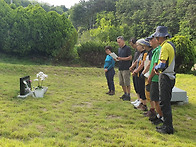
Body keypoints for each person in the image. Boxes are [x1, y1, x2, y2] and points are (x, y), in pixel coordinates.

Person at [153, 26, 176, 134]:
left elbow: (162, 64)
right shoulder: (171, 45)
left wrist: (156, 68)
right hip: (171, 76)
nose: (156, 39)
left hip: (165, 77)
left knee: (164, 102)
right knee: (166, 102)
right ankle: (167, 125)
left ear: (161, 36)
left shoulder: (165, 47)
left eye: (157, 37)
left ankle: (168, 128)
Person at [146, 34, 163, 125]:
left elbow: (155, 66)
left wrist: (150, 77)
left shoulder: (158, 50)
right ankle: (159, 116)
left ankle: (161, 117)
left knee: (156, 99)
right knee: (155, 99)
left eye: (151, 40)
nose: (150, 42)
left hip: (155, 78)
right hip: (154, 78)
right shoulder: (155, 50)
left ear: (156, 40)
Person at [129, 39, 148, 110]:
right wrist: (132, 67)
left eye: (138, 45)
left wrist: (136, 71)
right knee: (139, 88)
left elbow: (142, 64)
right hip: (137, 74)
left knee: (142, 89)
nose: (136, 47)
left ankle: (144, 104)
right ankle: (141, 102)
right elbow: (137, 61)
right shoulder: (140, 53)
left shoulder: (145, 53)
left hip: (141, 73)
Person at [116, 36, 132, 101]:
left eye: (119, 42)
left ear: (123, 41)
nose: (118, 43)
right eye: (117, 42)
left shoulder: (127, 48)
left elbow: (130, 57)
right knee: (121, 82)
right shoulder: (119, 49)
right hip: (120, 67)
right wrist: (117, 59)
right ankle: (124, 93)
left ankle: (128, 94)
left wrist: (121, 59)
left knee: (127, 82)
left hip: (126, 67)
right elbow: (119, 57)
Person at [129, 38, 141, 105]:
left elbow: (137, 61)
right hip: (134, 69)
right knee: (135, 85)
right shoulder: (136, 51)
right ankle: (138, 98)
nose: (132, 46)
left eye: (132, 45)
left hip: (137, 70)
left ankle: (140, 100)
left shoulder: (140, 52)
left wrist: (132, 66)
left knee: (139, 86)